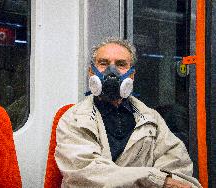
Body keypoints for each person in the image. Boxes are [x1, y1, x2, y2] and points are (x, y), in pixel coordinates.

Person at [55, 37, 202, 188]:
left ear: (131, 75)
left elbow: (177, 167)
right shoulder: (73, 118)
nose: (111, 72)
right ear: (91, 72)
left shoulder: (152, 119)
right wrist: (155, 180)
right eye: (103, 63)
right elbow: (86, 173)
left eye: (121, 64)